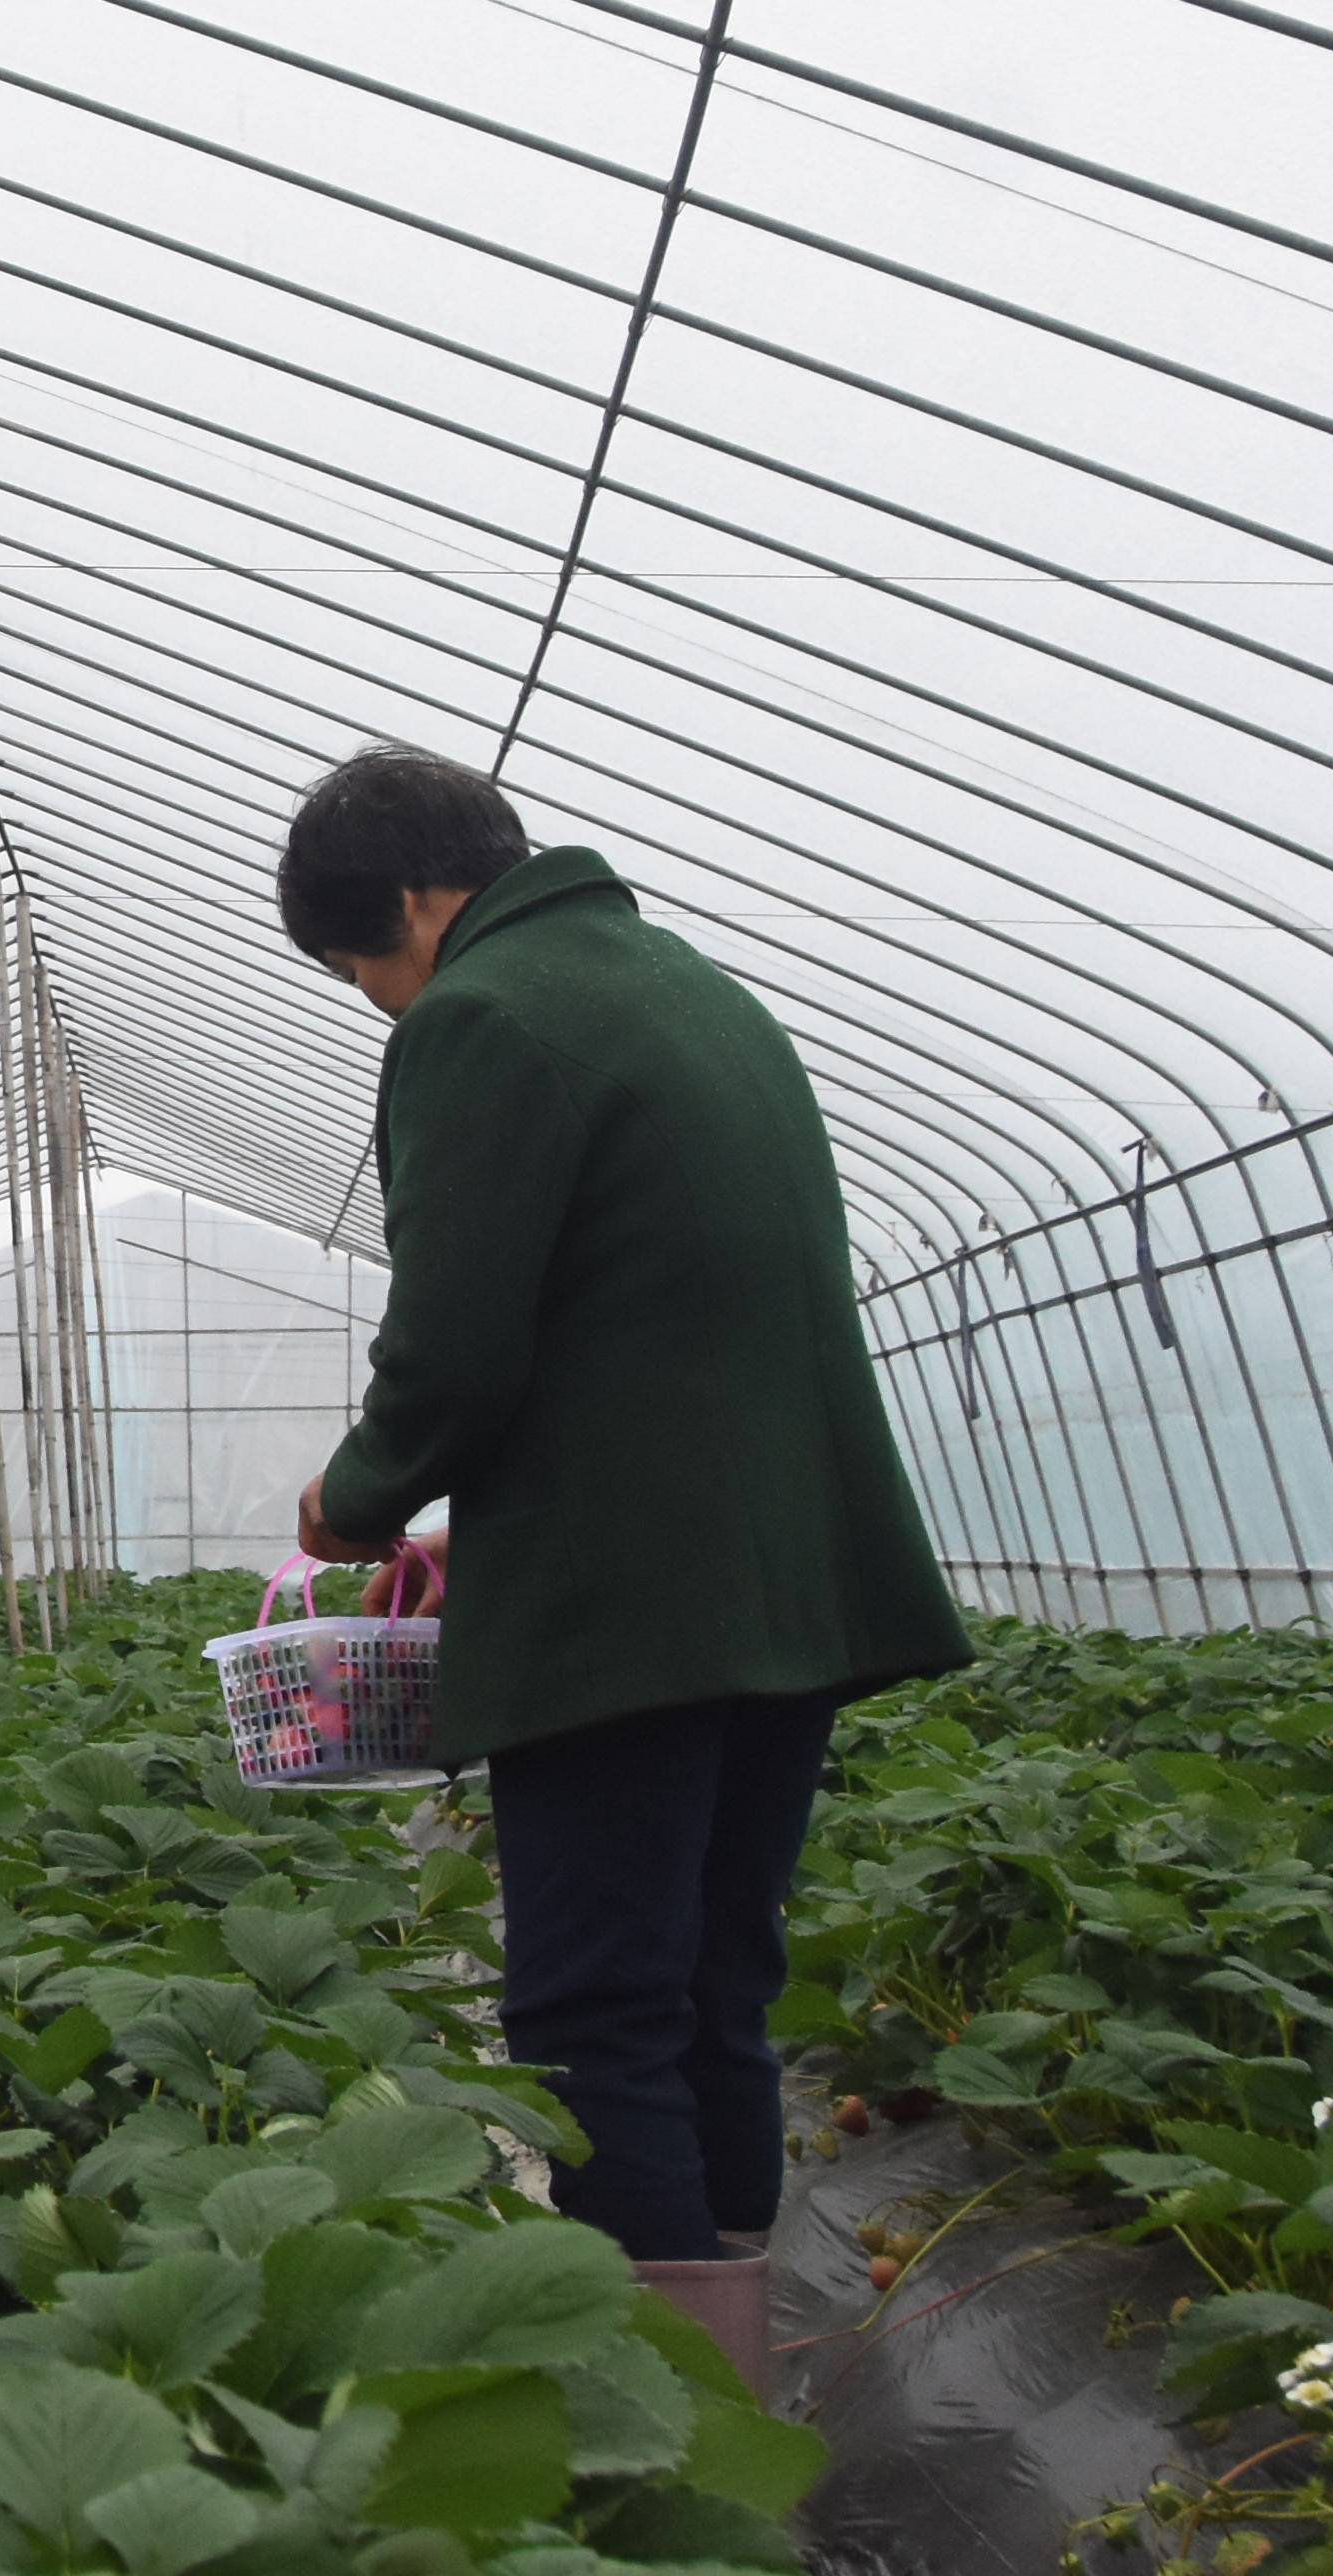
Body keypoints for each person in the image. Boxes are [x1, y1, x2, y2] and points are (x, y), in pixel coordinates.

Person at [279, 744, 965, 2384]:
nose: (377, 1001)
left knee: (591, 2017)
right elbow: (655, 1318)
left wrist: (360, 1501)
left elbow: (456, 1346)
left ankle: (654, 2424)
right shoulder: (696, 992)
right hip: (787, 1584)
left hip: (634, 1617)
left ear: (422, 906)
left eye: (363, 960)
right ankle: (736, 2387)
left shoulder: (483, 1016)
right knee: (715, 1986)